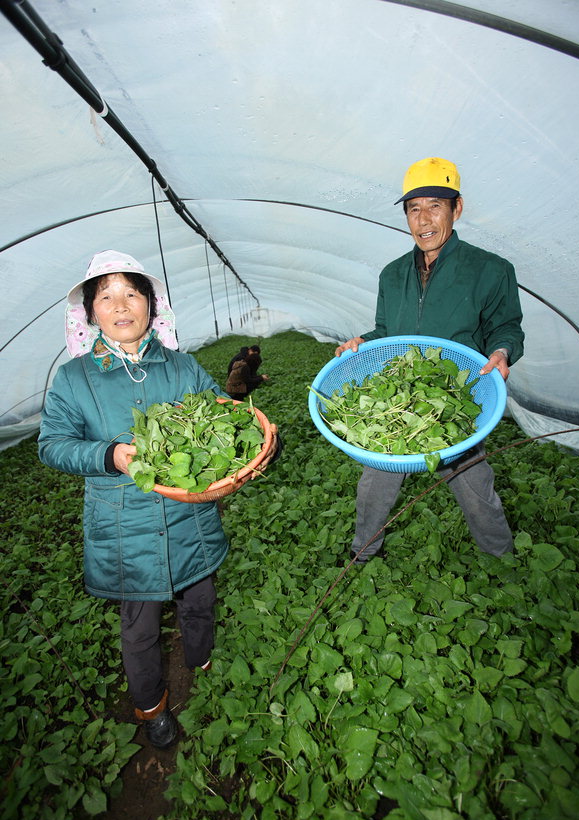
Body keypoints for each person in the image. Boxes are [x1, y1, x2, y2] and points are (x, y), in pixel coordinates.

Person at [38, 250, 277, 749]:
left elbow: (223, 414)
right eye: (107, 297)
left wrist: (248, 444)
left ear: (151, 304)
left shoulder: (182, 367)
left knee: (200, 599)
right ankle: (151, 707)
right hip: (125, 526)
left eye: (132, 293)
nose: (121, 306)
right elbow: (53, 444)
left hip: (191, 516)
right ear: (90, 313)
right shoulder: (73, 379)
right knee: (140, 625)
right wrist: (112, 455)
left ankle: (201, 662)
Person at [335, 157, 524, 562]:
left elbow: (506, 326)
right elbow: (386, 332)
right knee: (373, 489)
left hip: (457, 403)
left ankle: (503, 559)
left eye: (435, 206)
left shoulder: (490, 270)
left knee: (476, 491)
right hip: (401, 403)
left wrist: (502, 352)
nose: (423, 219)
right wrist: (361, 343)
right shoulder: (392, 274)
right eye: (413, 208)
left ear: (457, 208)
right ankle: (362, 556)